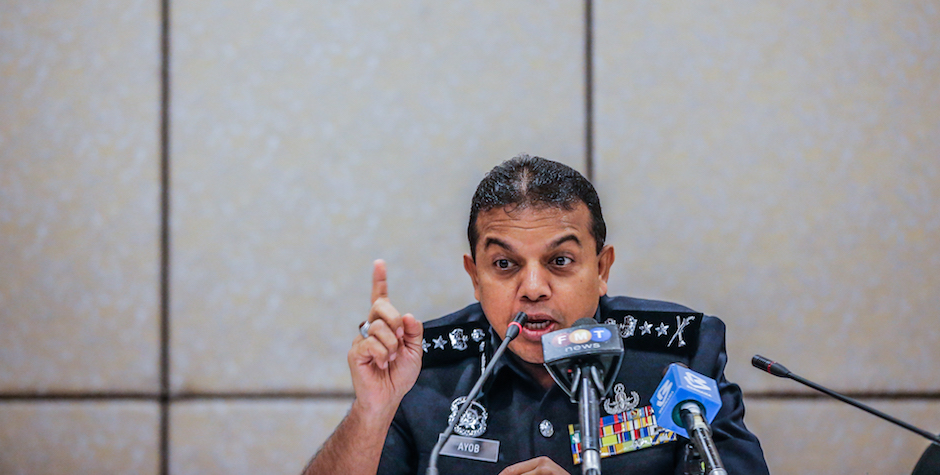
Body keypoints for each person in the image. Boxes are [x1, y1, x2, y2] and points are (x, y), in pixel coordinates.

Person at [303, 155, 768, 475]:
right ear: (475, 276)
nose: (532, 289)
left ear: (602, 269)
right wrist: (371, 412)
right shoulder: (421, 370)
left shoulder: (679, 355)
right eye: (504, 265)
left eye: (560, 261)